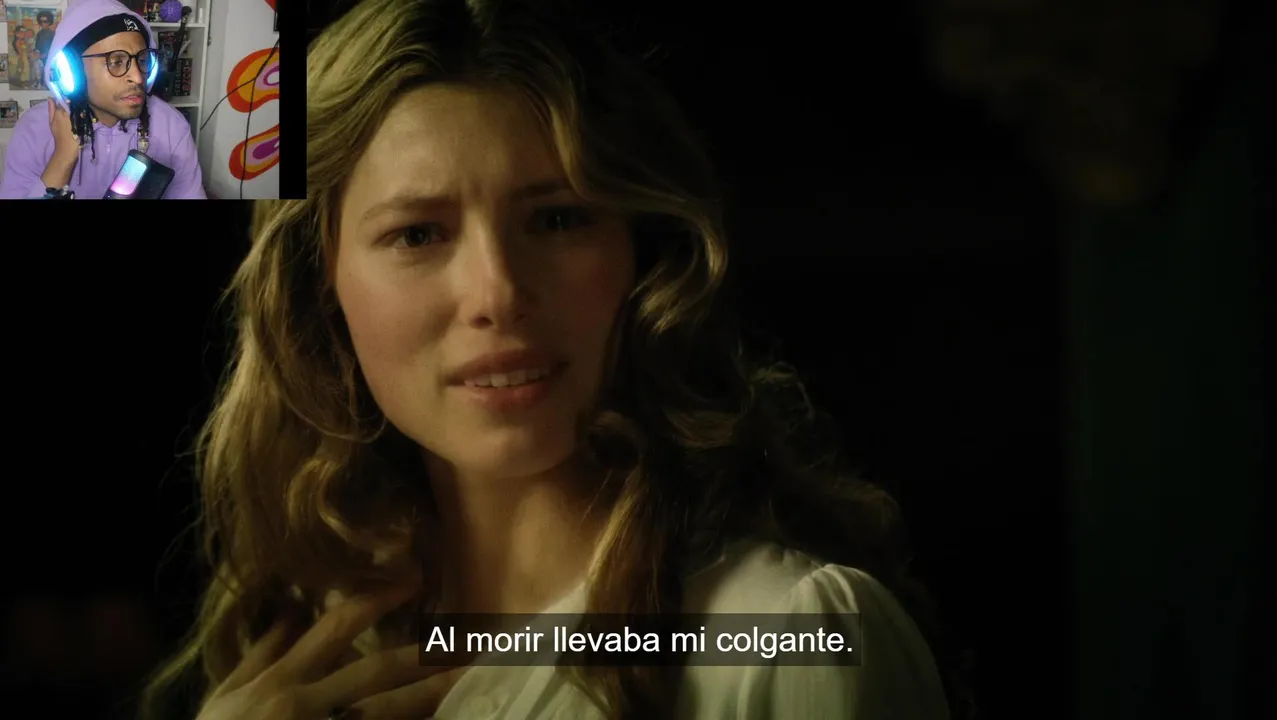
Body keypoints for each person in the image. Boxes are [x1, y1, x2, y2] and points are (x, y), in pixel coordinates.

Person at [140, 0, 953, 718]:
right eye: (418, 234)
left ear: (641, 254)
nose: (497, 293)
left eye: (558, 219)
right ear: (322, 288)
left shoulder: (791, 637)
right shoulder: (298, 661)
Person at [0, 0, 204, 199]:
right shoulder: (34, 128)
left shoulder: (171, 125)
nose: (137, 77)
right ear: (73, 71)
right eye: (116, 62)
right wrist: (63, 157)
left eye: (142, 60)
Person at [32, 10, 57, 87]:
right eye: (41, 21)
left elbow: (54, 46)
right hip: (39, 56)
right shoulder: (39, 33)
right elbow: (37, 45)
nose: (43, 23)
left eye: (45, 21)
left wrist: (46, 54)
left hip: (49, 56)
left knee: (49, 72)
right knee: (39, 72)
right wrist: (36, 53)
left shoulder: (52, 34)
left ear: (49, 22)